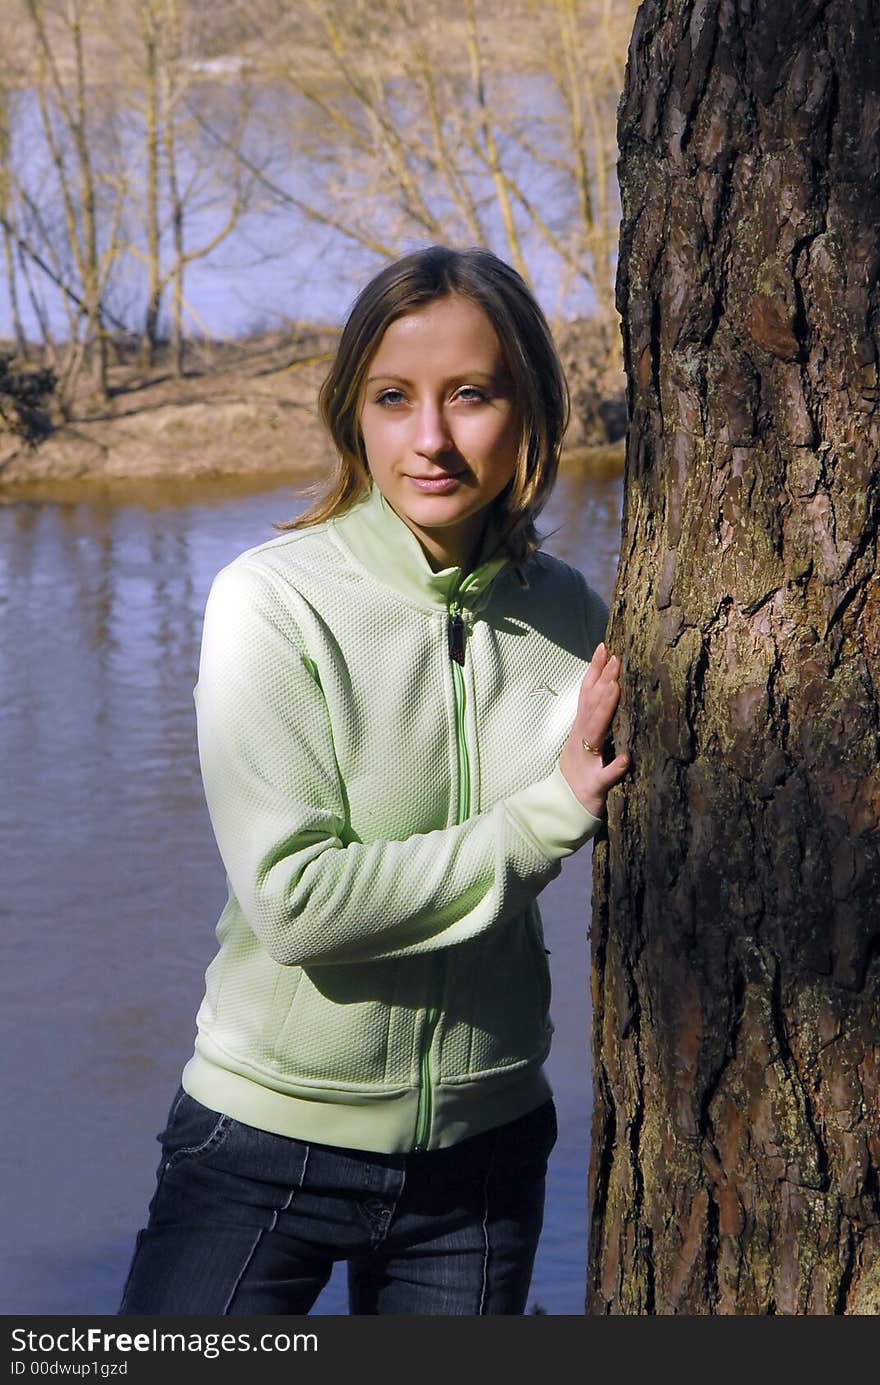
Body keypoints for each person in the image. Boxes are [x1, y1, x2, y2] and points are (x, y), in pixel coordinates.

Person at [119, 244, 629, 1317]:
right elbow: (296, 901)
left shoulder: (577, 621)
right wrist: (548, 818)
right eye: (393, 398)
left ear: (529, 405)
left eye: (471, 395)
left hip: (482, 1159)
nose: (431, 438)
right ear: (352, 412)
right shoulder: (272, 601)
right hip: (265, 1145)